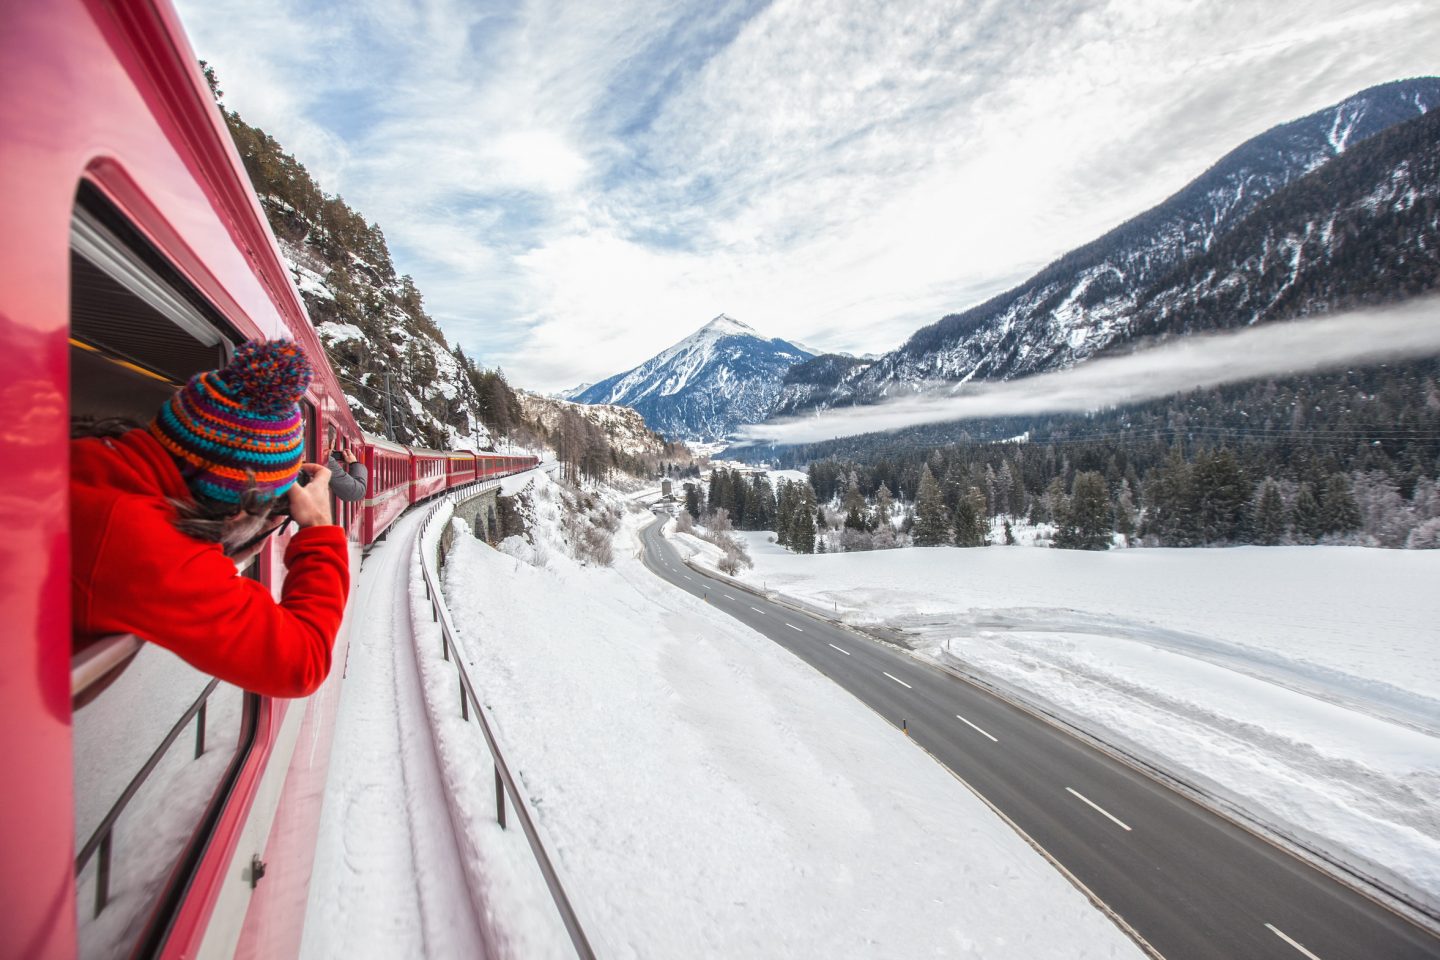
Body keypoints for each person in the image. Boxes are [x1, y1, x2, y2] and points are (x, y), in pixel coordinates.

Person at [71, 339, 349, 698]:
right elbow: (302, 664)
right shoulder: (149, 547)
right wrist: (318, 529)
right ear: (236, 506)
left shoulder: (89, 460)